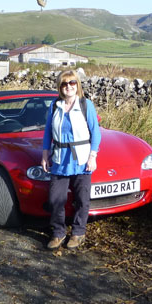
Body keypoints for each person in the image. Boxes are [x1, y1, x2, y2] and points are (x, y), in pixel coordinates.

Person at [41, 70, 101, 250]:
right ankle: (58, 232)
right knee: (55, 199)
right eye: (64, 84)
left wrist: (93, 156)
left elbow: (95, 132)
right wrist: (44, 154)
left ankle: (78, 232)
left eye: (72, 83)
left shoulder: (86, 105)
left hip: (81, 158)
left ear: (77, 85)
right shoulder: (54, 106)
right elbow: (47, 133)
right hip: (60, 159)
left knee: (82, 199)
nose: (68, 86)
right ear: (60, 87)